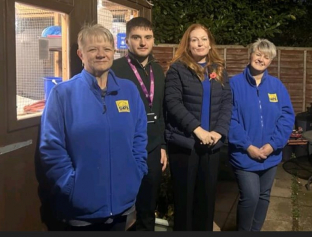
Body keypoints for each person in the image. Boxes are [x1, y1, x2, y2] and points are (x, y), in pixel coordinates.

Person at [37, 23, 148, 231]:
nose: (100, 54)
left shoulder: (129, 91)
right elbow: (51, 148)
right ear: (80, 54)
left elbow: (139, 136)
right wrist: (71, 186)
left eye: (106, 49)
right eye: (92, 49)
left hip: (122, 206)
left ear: (114, 52)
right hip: (80, 210)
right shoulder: (62, 95)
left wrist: (136, 171)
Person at [164, 23, 232, 231]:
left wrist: (218, 132)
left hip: (212, 144)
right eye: (194, 39)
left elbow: (227, 101)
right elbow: (173, 102)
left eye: (203, 39)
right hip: (186, 145)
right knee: (185, 201)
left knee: (207, 198)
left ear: (210, 44)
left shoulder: (218, 69)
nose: (199, 43)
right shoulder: (178, 69)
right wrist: (198, 130)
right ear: (188, 44)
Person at [228, 38, 295, 231]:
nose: (261, 59)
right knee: (250, 196)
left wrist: (274, 144)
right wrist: (248, 146)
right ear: (250, 55)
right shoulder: (234, 84)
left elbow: (287, 116)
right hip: (244, 154)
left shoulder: (276, 86)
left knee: (264, 195)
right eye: (258, 54)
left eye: (266, 57)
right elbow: (229, 119)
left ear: (270, 61)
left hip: (270, 155)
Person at [111, 17, 167, 231]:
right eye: (136, 37)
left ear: (153, 40)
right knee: (121, 209)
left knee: (147, 208)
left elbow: (160, 112)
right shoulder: (115, 70)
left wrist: (162, 145)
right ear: (126, 41)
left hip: (152, 148)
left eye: (147, 37)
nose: (143, 42)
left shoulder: (158, 71)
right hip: (124, 149)